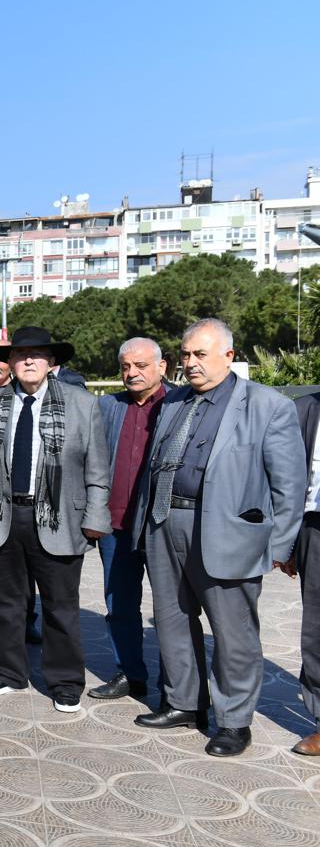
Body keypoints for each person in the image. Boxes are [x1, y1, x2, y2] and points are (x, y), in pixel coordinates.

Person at [136, 319, 304, 756]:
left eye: (200, 354)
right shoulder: (174, 402)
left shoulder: (267, 406)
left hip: (228, 533)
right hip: (164, 523)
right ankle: (184, 702)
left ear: (229, 356)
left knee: (233, 634)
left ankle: (233, 721)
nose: (190, 363)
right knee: (172, 619)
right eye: (185, 354)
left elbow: (289, 485)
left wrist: (279, 546)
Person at [0, 326, 110, 712]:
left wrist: (95, 517)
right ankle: (7, 673)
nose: (28, 360)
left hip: (59, 519)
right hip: (4, 515)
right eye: (21, 354)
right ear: (9, 361)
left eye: (37, 354)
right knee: (4, 603)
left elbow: (97, 468)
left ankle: (65, 684)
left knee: (61, 608)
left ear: (51, 361)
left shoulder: (81, 404)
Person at [91, 338, 173, 702]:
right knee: (119, 604)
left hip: (161, 527)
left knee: (171, 609)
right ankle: (130, 672)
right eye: (126, 366)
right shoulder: (108, 406)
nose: (132, 373)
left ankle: (176, 686)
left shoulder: (179, 404)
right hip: (116, 527)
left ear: (162, 367)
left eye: (141, 365)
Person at [287, 388, 320, 757]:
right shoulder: (303, 409)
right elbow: (286, 479)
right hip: (315, 528)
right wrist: (287, 544)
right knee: (316, 630)